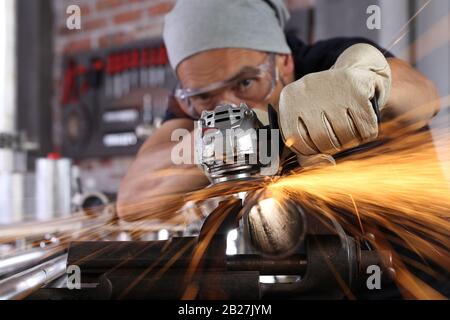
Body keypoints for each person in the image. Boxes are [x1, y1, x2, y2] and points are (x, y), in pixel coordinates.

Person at [117, 0, 439, 220]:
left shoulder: (328, 61)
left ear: (283, 62)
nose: (229, 106)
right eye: (205, 97)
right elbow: (133, 201)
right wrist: (223, 143)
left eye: (245, 83)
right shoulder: (197, 104)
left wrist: (364, 85)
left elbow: (424, 96)